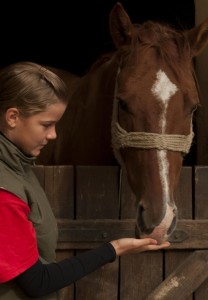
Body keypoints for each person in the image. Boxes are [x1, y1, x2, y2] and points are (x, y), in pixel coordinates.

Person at [0, 61, 170, 300]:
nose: (53, 135)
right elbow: (37, 282)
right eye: (46, 124)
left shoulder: (20, 167)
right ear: (13, 117)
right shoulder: (5, 191)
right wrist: (115, 248)